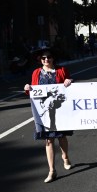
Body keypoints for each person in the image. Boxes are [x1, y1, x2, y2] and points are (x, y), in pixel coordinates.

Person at [23, 49, 74, 182]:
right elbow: (33, 92)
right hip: (44, 110)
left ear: (53, 58)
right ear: (40, 60)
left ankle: (65, 157)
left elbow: (70, 87)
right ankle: (52, 170)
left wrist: (69, 82)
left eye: (49, 57)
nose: (46, 60)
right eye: (43, 58)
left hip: (60, 108)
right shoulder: (36, 73)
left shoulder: (61, 70)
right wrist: (27, 88)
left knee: (61, 136)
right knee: (49, 139)